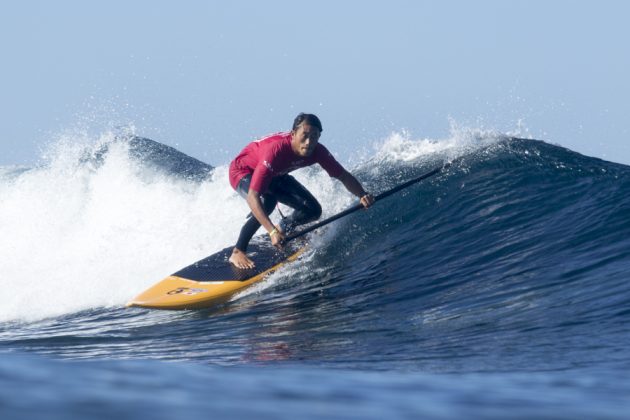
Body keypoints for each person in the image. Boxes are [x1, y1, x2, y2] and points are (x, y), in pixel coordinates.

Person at [228, 113, 375, 269]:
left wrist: (363, 195)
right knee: (268, 201)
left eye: (314, 137)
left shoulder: (318, 151)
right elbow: (253, 196)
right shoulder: (275, 150)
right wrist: (270, 232)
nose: (309, 142)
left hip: (276, 174)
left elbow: (343, 176)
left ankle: (283, 228)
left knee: (312, 210)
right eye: (304, 136)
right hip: (243, 171)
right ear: (293, 134)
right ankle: (238, 251)